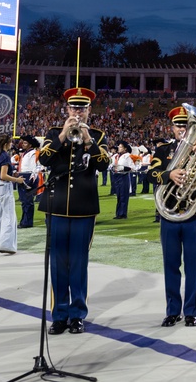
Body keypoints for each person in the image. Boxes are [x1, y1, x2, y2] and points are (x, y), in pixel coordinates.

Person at [38, 87, 110, 335]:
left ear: (90, 111)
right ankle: (59, 315)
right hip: (56, 206)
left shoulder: (98, 136)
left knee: (79, 263)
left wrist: (88, 140)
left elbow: (103, 164)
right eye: (74, 108)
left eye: (82, 108)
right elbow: (44, 159)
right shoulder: (52, 133)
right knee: (58, 263)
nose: (78, 112)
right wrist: (63, 135)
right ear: (66, 110)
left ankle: (77, 314)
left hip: (84, 207)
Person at [151, 106, 196, 327]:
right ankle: (173, 311)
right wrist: (169, 174)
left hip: (194, 213)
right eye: (178, 125)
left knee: (194, 266)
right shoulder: (163, 150)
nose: (182, 129)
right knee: (171, 265)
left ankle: (191, 311)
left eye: (186, 125)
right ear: (172, 128)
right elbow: (150, 174)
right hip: (169, 214)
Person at [0, 135, 25, 254]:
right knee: (9, 216)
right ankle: (6, 245)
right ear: (7, 143)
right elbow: (3, 175)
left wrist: (12, 174)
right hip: (5, 187)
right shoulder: (5, 155)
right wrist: (17, 180)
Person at [17, 135, 40, 228]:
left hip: (29, 177)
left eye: (25, 143)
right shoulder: (24, 153)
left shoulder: (34, 153)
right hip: (22, 175)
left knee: (28, 201)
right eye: (23, 142)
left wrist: (31, 180)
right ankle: (24, 220)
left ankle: (27, 222)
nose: (23, 144)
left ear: (30, 144)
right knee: (24, 201)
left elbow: (36, 167)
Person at [111, 141, 135, 219]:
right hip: (116, 176)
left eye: (120, 147)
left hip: (124, 176)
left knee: (123, 195)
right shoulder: (116, 156)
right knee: (118, 195)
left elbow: (133, 168)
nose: (118, 148)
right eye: (119, 146)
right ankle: (118, 213)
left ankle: (123, 214)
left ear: (125, 149)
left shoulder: (128, 156)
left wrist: (124, 168)